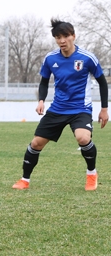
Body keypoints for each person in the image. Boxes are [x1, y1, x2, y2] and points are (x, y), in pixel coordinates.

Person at [12, 19, 108, 191]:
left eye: (65, 36)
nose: (61, 40)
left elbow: (102, 82)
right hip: (58, 109)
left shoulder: (87, 58)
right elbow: (43, 82)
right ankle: (24, 180)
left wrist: (104, 109)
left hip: (80, 109)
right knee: (35, 144)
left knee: (83, 138)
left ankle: (91, 174)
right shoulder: (50, 58)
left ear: (73, 36)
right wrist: (41, 100)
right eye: (57, 37)